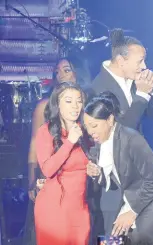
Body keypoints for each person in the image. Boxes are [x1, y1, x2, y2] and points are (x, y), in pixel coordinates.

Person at [84, 92, 153, 240]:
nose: (91, 132)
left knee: (139, 236)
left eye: (94, 125)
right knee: (115, 238)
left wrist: (132, 212)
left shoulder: (132, 139)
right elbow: (115, 183)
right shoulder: (100, 146)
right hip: (135, 201)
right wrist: (98, 174)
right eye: (87, 127)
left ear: (110, 120)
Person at [24, 56, 91, 245]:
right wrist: (31, 180)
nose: (61, 74)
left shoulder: (85, 117)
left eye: (66, 69)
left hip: (81, 204)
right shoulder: (45, 110)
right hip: (54, 200)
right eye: (57, 71)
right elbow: (35, 146)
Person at [90, 28, 153, 132]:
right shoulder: (99, 89)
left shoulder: (133, 79)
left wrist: (152, 91)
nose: (144, 66)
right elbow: (121, 133)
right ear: (121, 61)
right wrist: (142, 94)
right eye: (140, 61)